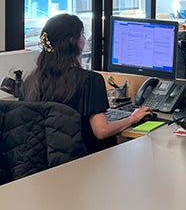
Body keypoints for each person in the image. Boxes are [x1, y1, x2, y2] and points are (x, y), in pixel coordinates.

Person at [20, 13, 152, 153]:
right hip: (86, 161)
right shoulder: (89, 80)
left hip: (46, 163)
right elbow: (102, 131)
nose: (84, 39)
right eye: (82, 34)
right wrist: (134, 117)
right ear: (73, 41)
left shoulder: (31, 80)